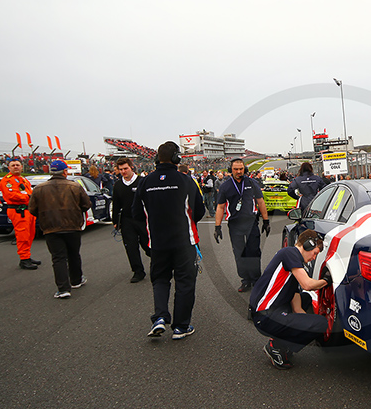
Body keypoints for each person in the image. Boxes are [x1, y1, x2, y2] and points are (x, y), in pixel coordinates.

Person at [133, 142, 205, 340]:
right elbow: (199, 210)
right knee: (185, 283)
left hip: (157, 242)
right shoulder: (186, 180)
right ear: (177, 158)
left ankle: (159, 317)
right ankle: (181, 326)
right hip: (184, 242)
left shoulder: (145, 183)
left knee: (160, 279)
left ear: (157, 159)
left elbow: (136, 214)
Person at [250, 229, 331, 369]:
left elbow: (296, 298)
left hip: (269, 310)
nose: (313, 258)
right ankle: (276, 347)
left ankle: (283, 339)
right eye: (315, 253)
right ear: (307, 245)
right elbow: (307, 284)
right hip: (265, 316)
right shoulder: (290, 253)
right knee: (321, 323)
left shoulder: (292, 260)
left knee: (305, 299)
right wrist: (326, 281)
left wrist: (303, 323)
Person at [28, 160, 91, 298]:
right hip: (73, 226)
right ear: (65, 172)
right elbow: (86, 204)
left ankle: (63, 288)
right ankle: (76, 280)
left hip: (51, 228)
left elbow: (32, 209)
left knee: (58, 258)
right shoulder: (74, 186)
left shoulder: (39, 188)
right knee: (74, 254)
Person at [214, 158, 270, 293]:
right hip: (235, 225)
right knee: (239, 253)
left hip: (251, 223)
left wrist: (266, 221)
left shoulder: (252, 182)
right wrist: (217, 227)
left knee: (253, 252)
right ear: (230, 170)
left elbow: (260, 202)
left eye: (241, 169)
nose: (239, 172)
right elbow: (220, 207)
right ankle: (245, 280)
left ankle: (256, 279)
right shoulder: (225, 186)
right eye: (236, 169)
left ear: (245, 169)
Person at [112, 157, 151, 283]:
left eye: (125, 168)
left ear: (131, 167)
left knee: (148, 245)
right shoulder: (117, 185)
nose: (123, 171)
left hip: (142, 219)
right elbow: (116, 204)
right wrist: (115, 221)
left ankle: (160, 265)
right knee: (131, 247)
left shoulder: (142, 181)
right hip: (127, 220)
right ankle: (138, 271)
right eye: (121, 169)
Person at [0, 159, 40, 269]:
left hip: (28, 210)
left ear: (22, 167)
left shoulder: (23, 180)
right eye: (13, 165)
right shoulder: (7, 181)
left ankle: (27, 255)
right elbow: (12, 195)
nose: (16, 167)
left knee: (30, 234)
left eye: (18, 165)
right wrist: (29, 198)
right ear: (9, 168)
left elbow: (30, 192)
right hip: (18, 211)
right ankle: (24, 258)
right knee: (23, 235)